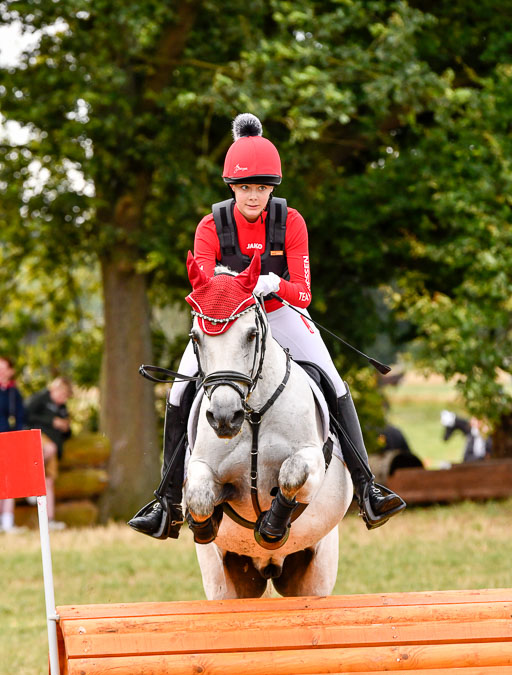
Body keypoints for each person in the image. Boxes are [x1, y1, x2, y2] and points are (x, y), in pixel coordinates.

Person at [129, 113, 406, 541]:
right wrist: (235, 286)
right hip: (223, 320)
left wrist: (274, 282)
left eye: (261, 188)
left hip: (279, 312)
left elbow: (304, 294)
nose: (253, 196)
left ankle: (368, 487)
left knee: (332, 380)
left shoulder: (290, 222)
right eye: (245, 188)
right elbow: (203, 286)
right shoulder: (211, 226)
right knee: (181, 389)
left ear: (271, 188)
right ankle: (167, 501)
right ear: (232, 188)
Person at [25, 377, 73, 529]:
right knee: (49, 448)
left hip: (54, 445)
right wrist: (52, 421)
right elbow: (27, 416)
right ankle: (29, 484)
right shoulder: (40, 398)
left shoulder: (62, 407)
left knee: (49, 481)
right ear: (55, 389)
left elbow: (67, 432)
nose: (63, 399)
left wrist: (66, 428)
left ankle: (49, 520)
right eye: (62, 394)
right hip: (39, 438)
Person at [0, 356, 25, 533]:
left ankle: (7, 522)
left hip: (9, 440)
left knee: (9, 480)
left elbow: (20, 418)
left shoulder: (13, 393)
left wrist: (16, 439)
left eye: (3, 368)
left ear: (10, 371)